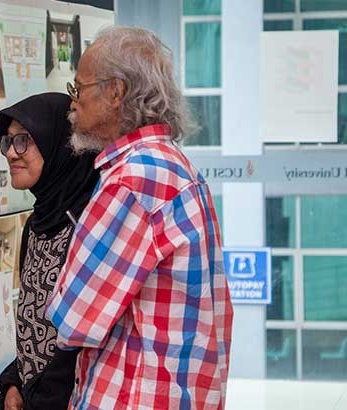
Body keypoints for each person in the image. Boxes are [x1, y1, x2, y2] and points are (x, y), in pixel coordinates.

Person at [47, 27, 233, 409]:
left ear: (116, 92)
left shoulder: (133, 180)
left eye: (78, 88)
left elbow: (72, 319)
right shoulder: (171, 165)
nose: (73, 103)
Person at [0, 93, 99, 410]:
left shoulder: (89, 224)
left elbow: (82, 339)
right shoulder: (37, 224)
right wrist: (13, 380)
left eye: (24, 140)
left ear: (61, 145)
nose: (11, 153)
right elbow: (34, 322)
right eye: (8, 142)